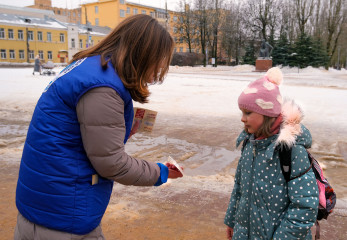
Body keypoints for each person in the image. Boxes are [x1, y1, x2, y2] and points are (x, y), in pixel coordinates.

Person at [14, 14, 183, 240]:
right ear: (143, 55)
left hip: (44, 204)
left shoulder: (89, 68)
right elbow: (113, 164)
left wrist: (120, 130)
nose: (155, 74)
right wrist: (161, 172)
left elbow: (72, 137)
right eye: (158, 63)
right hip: (63, 217)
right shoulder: (103, 87)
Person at [224, 67, 319, 239]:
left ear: (266, 113)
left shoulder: (291, 149)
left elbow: (304, 207)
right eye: (242, 112)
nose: (242, 118)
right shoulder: (249, 143)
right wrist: (232, 222)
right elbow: (239, 188)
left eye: (247, 112)